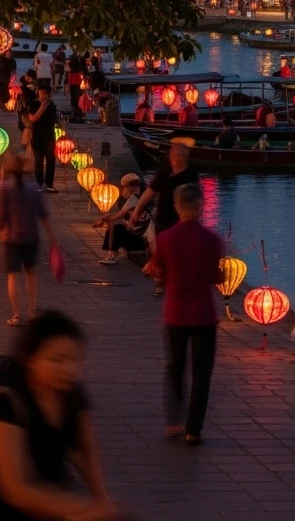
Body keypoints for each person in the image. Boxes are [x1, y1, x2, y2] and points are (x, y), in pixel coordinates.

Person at [0, 311, 117, 521]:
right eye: (56, 360)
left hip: (46, 500)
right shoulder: (7, 403)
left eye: (74, 359)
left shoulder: (72, 393)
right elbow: (15, 489)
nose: (68, 369)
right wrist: (80, 509)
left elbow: (85, 451)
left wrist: (102, 501)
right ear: (30, 359)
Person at [150, 184, 222, 446]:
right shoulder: (212, 239)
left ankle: (173, 422)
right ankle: (194, 429)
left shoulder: (166, 238)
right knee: (202, 373)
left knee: (175, 367)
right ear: (200, 205)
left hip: (175, 313)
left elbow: (158, 274)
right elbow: (216, 277)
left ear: (178, 206)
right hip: (204, 314)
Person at [0, 153, 56, 327]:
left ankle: (16, 314)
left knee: (12, 276)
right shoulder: (32, 187)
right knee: (31, 274)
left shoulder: (4, 187)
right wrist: (52, 237)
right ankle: (32, 311)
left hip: (10, 237)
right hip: (31, 236)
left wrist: (2, 229)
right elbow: (43, 214)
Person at [131, 144, 197, 296]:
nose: (175, 158)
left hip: (183, 220)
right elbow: (150, 192)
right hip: (164, 219)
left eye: (178, 155)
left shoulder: (190, 175)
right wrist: (137, 210)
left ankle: (178, 282)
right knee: (163, 251)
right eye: (173, 155)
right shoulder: (164, 173)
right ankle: (160, 283)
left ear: (185, 158)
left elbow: (196, 199)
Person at [91, 174, 149, 265]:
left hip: (141, 233)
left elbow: (118, 216)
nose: (135, 188)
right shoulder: (123, 199)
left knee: (114, 224)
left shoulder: (137, 198)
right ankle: (112, 252)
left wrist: (103, 219)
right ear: (125, 188)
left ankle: (112, 255)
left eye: (137, 185)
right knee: (114, 224)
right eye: (132, 186)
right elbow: (122, 215)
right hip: (132, 229)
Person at [28, 84, 58, 192]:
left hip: (49, 136)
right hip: (37, 136)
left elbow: (53, 120)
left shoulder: (52, 105)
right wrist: (42, 106)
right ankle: (39, 184)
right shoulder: (34, 104)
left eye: (46, 93)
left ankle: (49, 184)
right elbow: (33, 119)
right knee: (38, 161)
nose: (44, 95)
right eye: (42, 92)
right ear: (38, 92)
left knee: (50, 160)